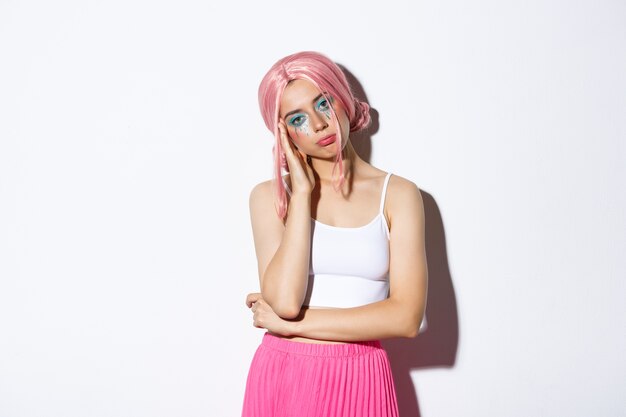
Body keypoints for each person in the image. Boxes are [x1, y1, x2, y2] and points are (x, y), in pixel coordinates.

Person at [241, 51, 428, 417]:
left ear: (342, 99)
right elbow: (285, 302)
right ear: (284, 134)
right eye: (298, 119)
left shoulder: (400, 195)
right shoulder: (268, 198)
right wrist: (301, 197)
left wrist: (290, 326)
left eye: (323, 102)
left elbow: (406, 318)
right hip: (282, 372)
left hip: (361, 373)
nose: (319, 124)